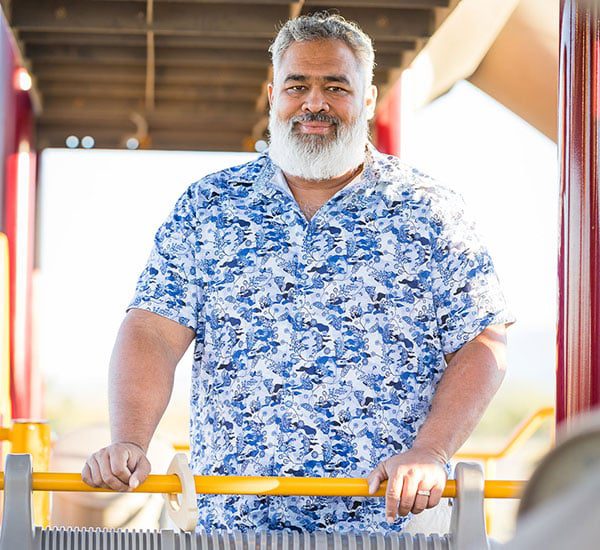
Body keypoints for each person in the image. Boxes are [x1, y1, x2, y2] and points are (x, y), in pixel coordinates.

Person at [82, 12, 514, 533]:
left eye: (336, 86)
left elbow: (482, 341)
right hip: (235, 527)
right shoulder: (210, 206)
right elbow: (152, 330)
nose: (315, 103)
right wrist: (130, 439)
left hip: (389, 530)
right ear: (272, 94)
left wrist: (431, 450)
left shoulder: (430, 210)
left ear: (369, 100)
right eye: (297, 86)